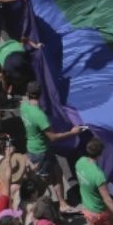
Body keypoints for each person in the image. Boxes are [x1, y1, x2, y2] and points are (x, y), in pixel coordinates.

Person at [22, 81, 83, 213]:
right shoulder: (39, 115)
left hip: (38, 148)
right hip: (40, 152)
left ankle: (62, 204)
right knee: (41, 183)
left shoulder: (23, 107)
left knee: (57, 172)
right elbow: (53, 137)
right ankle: (33, 208)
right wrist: (72, 133)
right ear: (41, 94)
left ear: (28, 94)